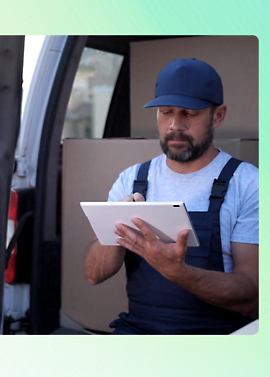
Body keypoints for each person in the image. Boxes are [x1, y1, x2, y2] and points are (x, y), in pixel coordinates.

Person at [83, 58, 259, 335]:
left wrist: (178, 272)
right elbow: (94, 275)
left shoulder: (248, 183)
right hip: (137, 332)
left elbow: (251, 295)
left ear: (218, 115)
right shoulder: (131, 179)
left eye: (190, 113)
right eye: (166, 112)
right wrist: (116, 228)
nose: (175, 125)